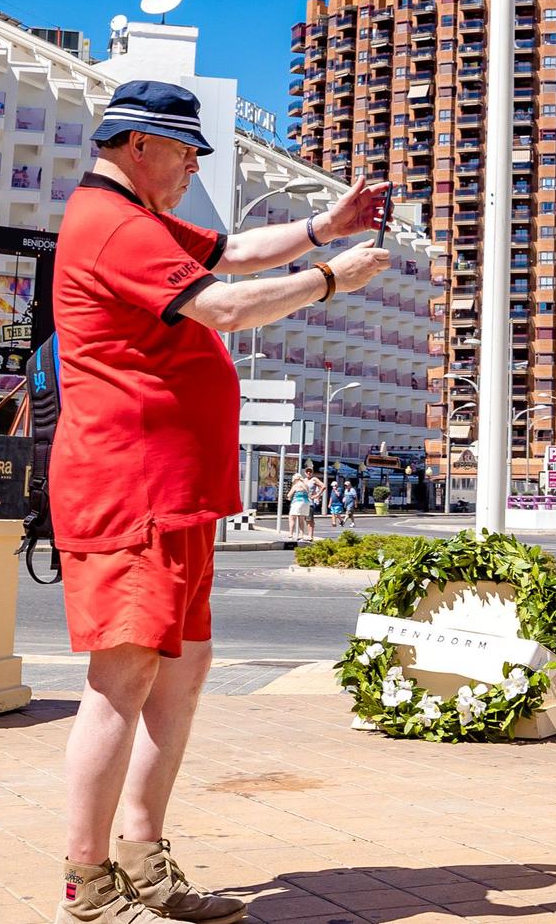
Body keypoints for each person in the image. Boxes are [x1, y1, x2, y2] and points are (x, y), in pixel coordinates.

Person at [49, 80, 389, 924]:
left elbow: (231, 253)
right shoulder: (114, 225)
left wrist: (324, 225)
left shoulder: (145, 220)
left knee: (183, 669)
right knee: (121, 678)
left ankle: (142, 853)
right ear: (138, 146)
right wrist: (328, 277)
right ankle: (86, 889)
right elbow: (227, 305)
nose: (193, 166)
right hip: (131, 488)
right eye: (185, 151)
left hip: (174, 491)